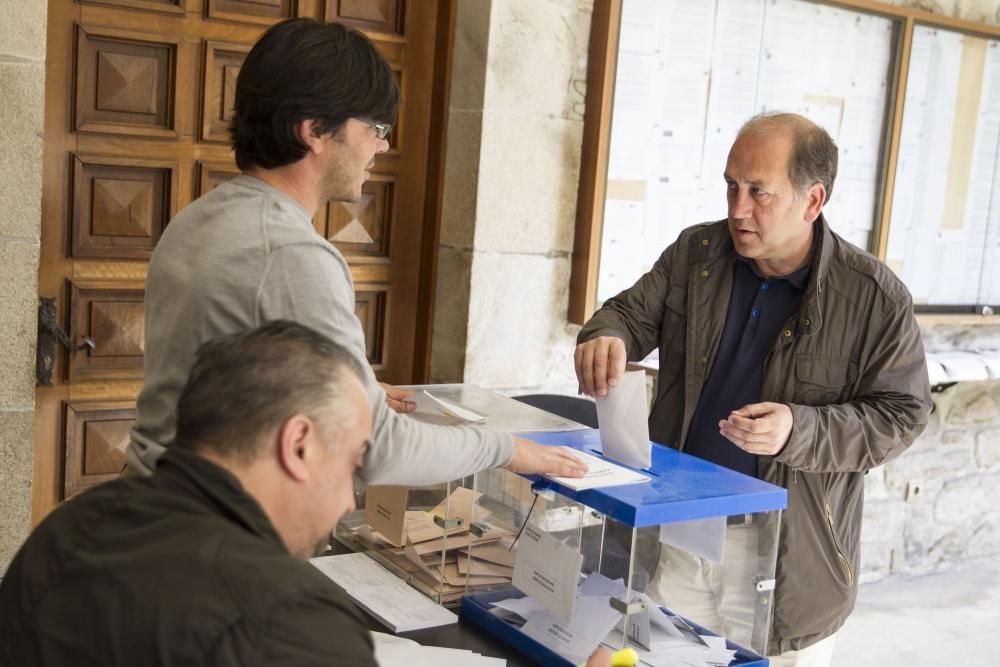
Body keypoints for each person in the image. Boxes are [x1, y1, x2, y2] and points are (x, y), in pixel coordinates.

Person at [126, 18, 585, 483]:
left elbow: (225, 384)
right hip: (212, 535)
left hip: (154, 509)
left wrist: (345, 390)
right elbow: (378, 450)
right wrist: (505, 448)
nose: (383, 145)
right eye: (376, 126)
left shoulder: (196, 220)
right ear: (315, 131)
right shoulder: (292, 254)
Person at [0, 321, 612, 667]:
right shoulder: (282, 617)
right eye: (351, 464)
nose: (348, 496)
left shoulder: (70, 525)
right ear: (297, 445)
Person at [574, 113, 932, 665]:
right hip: (679, 526)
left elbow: (902, 416)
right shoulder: (697, 255)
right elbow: (626, 314)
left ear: (812, 201)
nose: (738, 208)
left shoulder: (875, 298)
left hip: (789, 554)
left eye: (758, 192)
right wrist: (605, 337)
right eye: (731, 186)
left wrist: (800, 428)